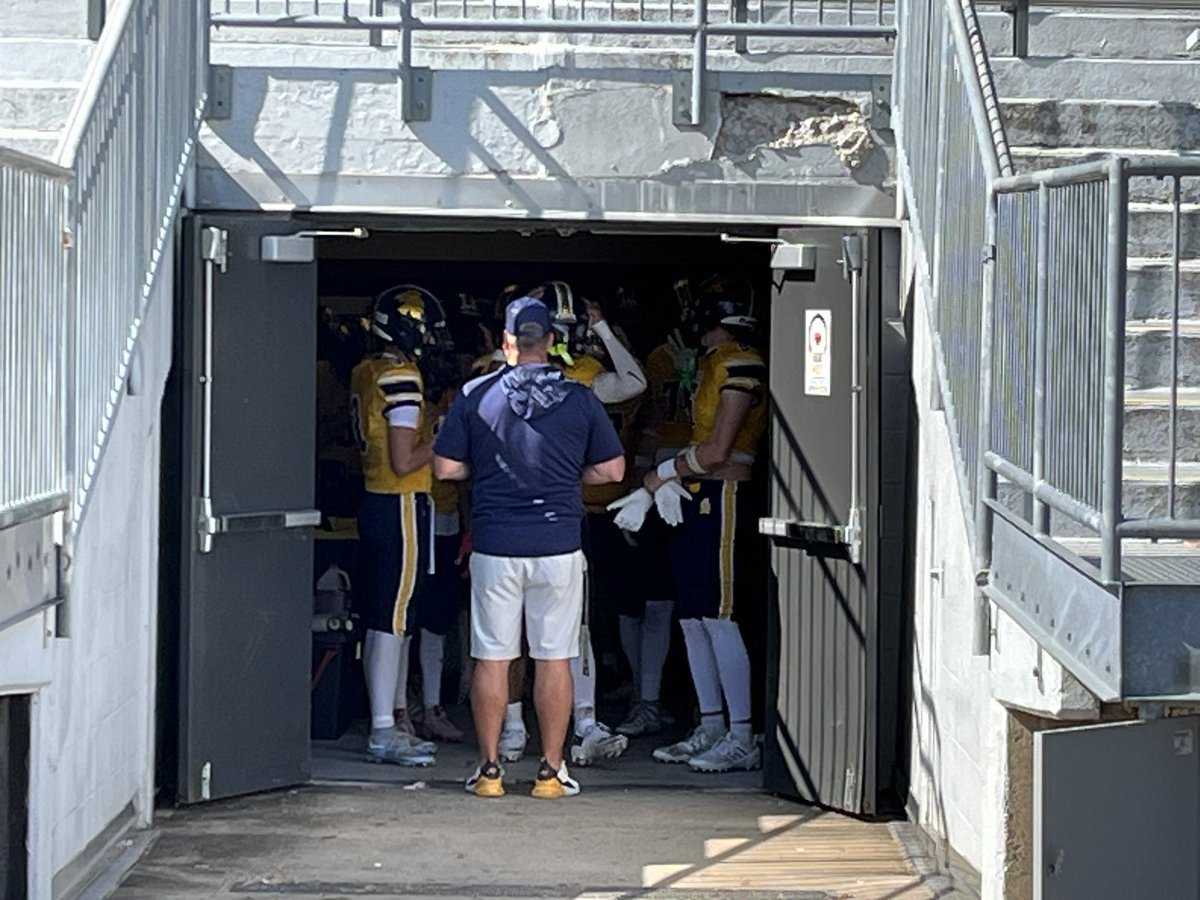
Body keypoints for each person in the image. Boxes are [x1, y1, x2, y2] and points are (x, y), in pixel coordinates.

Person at [433, 296, 626, 799]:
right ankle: (551, 773)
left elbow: (445, 468)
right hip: (558, 544)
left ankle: (489, 770)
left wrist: (486, 472)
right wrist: (567, 477)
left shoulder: (476, 394)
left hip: (496, 545)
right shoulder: (580, 396)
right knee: (554, 658)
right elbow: (613, 470)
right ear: (552, 341)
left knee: (493, 658)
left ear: (507, 342)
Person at [609, 278, 767, 773]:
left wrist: (662, 474)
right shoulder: (712, 363)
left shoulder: (742, 361)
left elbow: (719, 450)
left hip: (725, 493)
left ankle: (741, 734)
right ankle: (713, 725)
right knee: (693, 618)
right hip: (699, 492)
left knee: (719, 616)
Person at [351, 285, 443, 766]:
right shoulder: (401, 374)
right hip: (400, 500)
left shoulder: (367, 370)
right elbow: (405, 461)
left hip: (375, 498)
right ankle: (384, 728)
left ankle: (388, 721)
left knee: (384, 616)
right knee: (393, 619)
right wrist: (444, 433)